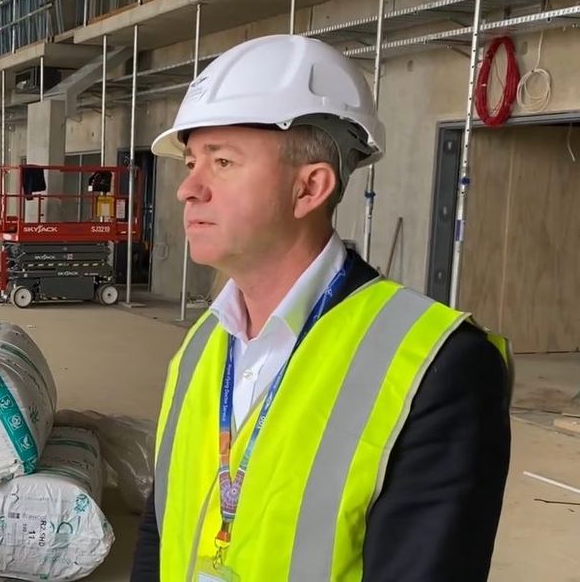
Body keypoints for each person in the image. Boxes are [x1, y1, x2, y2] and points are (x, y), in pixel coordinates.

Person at [131, 34, 512, 582]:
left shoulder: (438, 366)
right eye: (192, 161)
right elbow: (160, 528)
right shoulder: (202, 347)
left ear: (309, 188)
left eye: (222, 162)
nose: (188, 189)